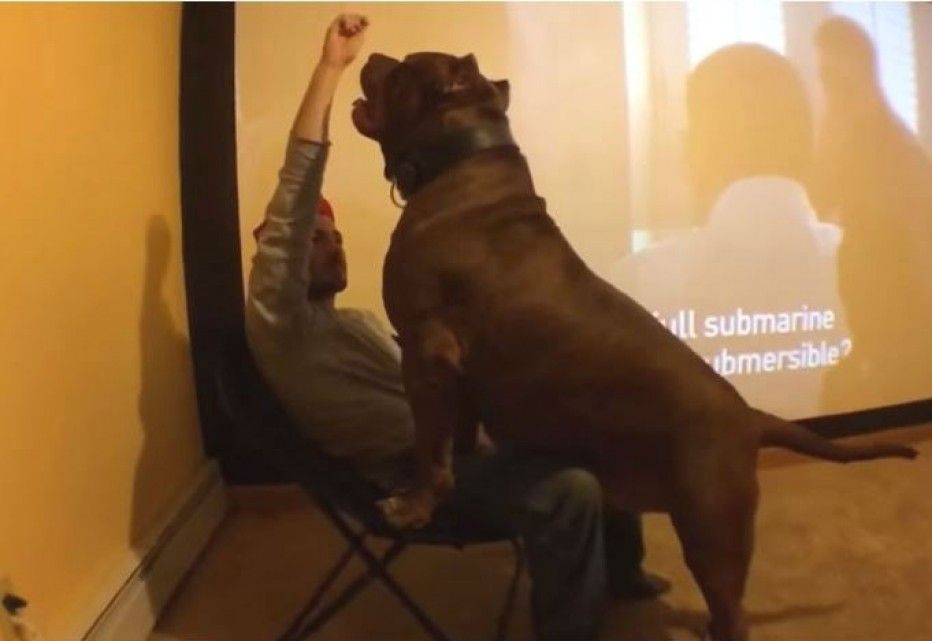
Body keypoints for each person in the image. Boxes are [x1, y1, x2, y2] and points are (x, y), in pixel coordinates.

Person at [245, 14, 667, 641]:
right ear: (273, 260)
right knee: (570, 489)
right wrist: (332, 68)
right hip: (408, 477)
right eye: (316, 240)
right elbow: (295, 194)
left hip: (455, 448)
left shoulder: (354, 322)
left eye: (336, 239)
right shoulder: (281, 327)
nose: (333, 249)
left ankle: (620, 573)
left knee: (598, 424)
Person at [611, 44, 849, 419]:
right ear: (808, 146)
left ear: (696, 149)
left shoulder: (634, 283)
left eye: (688, 135)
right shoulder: (876, 268)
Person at [809, 16, 932, 411]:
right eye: (825, 80)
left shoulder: (900, 156)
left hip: (899, 361)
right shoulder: (835, 142)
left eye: (835, 81)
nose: (829, 94)